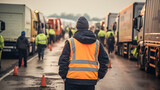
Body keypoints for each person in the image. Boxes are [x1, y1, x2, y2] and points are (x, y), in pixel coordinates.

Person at [58, 16, 109, 90]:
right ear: (88, 27)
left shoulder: (70, 42)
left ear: (77, 27)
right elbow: (105, 60)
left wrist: (63, 76)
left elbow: (63, 60)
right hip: (89, 81)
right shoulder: (97, 43)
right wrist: (99, 76)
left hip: (72, 80)